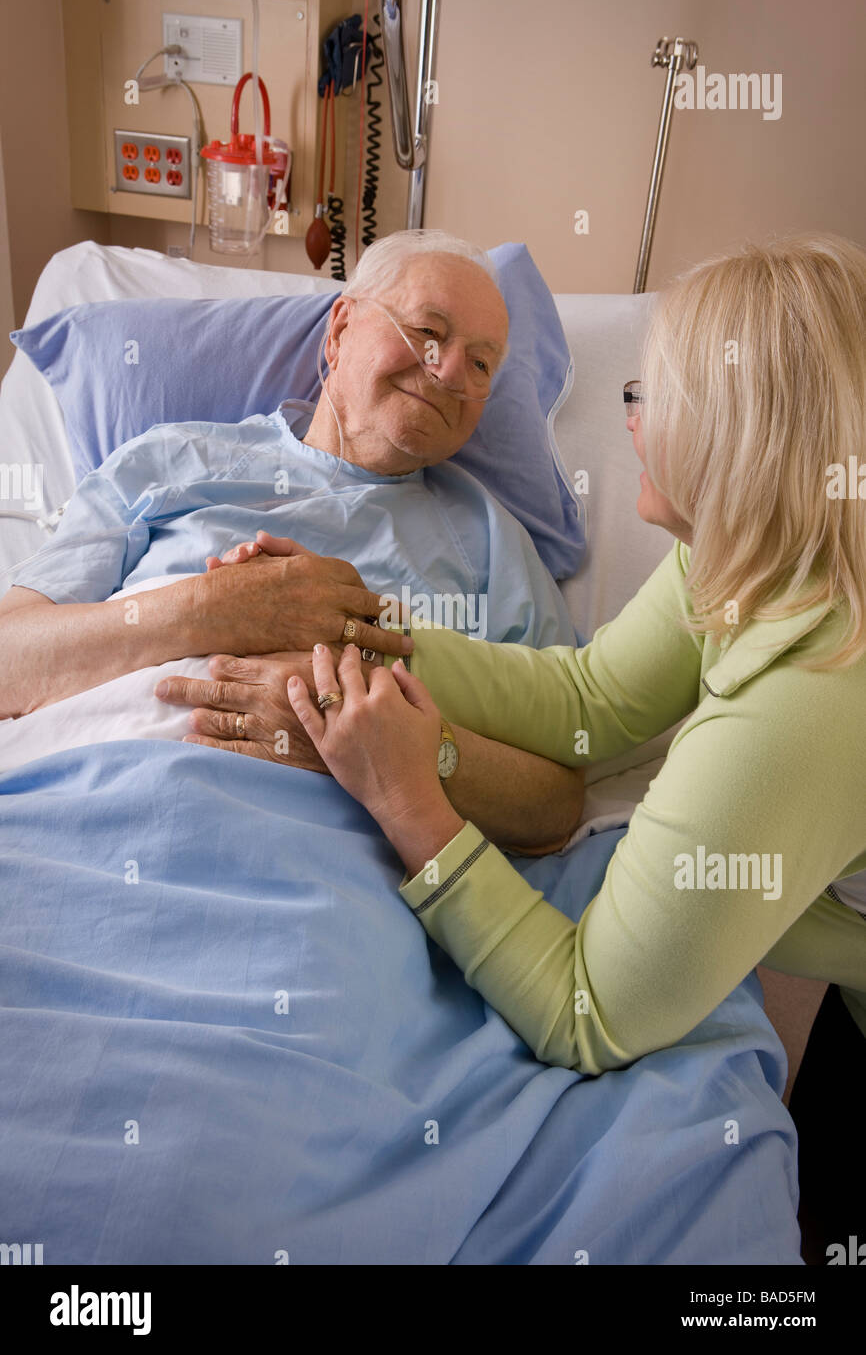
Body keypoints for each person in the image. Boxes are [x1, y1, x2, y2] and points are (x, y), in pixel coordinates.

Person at [268, 232, 866, 1256]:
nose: (630, 416)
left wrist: (415, 797)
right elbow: (587, 697)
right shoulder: (735, 548)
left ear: (735, 433)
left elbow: (588, 1009)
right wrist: (362, 622)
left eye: (654, 394)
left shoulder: (805, 705)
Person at [0, 229, 584, 856]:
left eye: (480, 363)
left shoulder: (490, 540)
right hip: (67, 819)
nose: (447, 371)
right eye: (427, 331)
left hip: (309, 891)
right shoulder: (168, 461)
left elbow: (558, 800)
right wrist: (205, 612)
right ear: (339, 332)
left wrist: (374, 745)